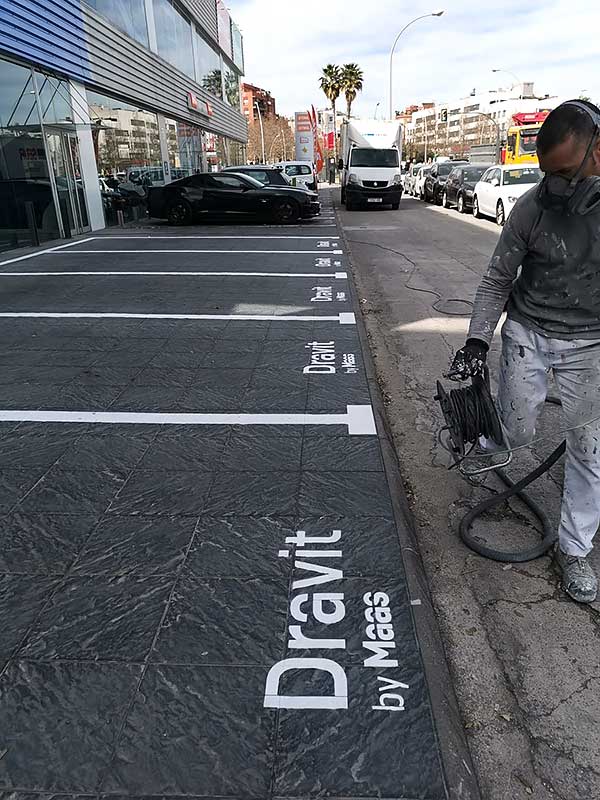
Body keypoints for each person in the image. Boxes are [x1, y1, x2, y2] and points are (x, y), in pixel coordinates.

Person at [450, 100, 600, 604]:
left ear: (596, 154)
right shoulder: (532, 208)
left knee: (588, 450)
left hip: (590, 345)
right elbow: (497, 280)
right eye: (546, 174)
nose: (553, 186)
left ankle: (575, 548)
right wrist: (476, 340)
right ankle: (488, 449)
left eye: (562, 173)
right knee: (516, 431)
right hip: (529, 334)